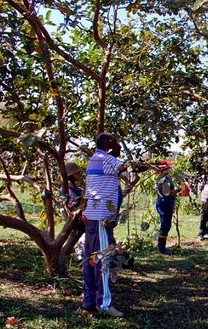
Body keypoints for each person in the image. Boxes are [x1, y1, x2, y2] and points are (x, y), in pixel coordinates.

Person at [81, 133, 127, 318]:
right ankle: (104, 304)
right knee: (104, 261)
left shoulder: (95, 158)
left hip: (93, 218)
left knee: (90, 260)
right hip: (101, 219)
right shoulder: (106, 158)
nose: (119, 147)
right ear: (109, 144)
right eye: (116, 143)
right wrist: (156, 166)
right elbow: (129, 168)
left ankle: (88, 302)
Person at [154, 159, 179, 255]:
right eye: (168, 168)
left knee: (166, 224)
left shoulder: (164, 178)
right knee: (165, 225)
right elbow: (167, 193)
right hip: (165, 203)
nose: (170, 169)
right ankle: (161, 247)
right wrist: (181, 189)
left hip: (166, 202)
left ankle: (161, 246)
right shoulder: (164, 179)